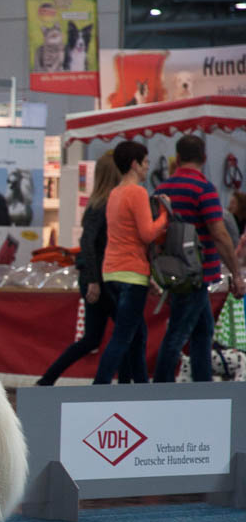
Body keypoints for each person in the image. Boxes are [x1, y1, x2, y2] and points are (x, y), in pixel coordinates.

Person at [153, 135, 246, 382]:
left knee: (203, 332)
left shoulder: (162, 189)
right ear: (204, 158)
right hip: (197, 272)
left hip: (172, 272)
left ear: (178, 157)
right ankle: (159, 389)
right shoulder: (203, 189)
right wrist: (236, 273)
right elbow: (219, 233)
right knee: (177, 334)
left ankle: (203, 386)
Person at [38, 152, 134, 385]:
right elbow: (88, 244)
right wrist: (93, 279)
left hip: (96, 278)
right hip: (101, 279)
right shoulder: (104, 205)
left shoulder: (98, 204)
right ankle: (116, 384)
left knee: (93, 339)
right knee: (127, 335)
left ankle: (47, 380)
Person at [92, 141, 169, 385]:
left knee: (137, 335)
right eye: (146, 162)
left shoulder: (115, 193)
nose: (147, 168)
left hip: (112, 272)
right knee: (123, 337)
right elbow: (147, 234)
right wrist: (166, 214)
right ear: (135, 164)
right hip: (131, 274)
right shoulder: (137, 192)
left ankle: (139, 387)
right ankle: (99, 386)